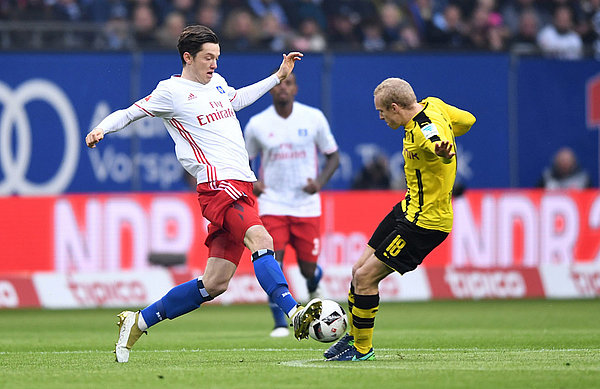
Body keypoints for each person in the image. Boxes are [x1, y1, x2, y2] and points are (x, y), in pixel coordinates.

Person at [85, 25, 323, 363]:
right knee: (261, 238)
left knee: (214, 283)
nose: (214, 63)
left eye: (217, 57)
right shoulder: (171, 91)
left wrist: (278, 76)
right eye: (208, 58)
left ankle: (138, 321)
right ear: (188, 57)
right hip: (217, 185)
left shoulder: (218, 83)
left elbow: (236, 98)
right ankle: (293, 312)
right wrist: (100, 130)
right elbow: (130, 112)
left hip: (240, 183)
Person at [324, 78, 476, 361]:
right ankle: (355, 336)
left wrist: (442, 151)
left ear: (395, 107)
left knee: (367, 277)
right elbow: (468, 120)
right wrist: (449, 130)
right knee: (358, 271)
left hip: (425, 223)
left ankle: (362, 349)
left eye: (381, 111)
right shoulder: (435, 105)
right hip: (406, 210)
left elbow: (433, 142)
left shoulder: (423, 129)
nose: (380, 117)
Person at [244, 72, 340, 337]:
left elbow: (333, 156)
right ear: (272, 90)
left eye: (288, 83)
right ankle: (279, 322)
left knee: (308, 267)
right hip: (273, 203)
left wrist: (319, 183)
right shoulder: (257, 124)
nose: (283, 88)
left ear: (295, 88)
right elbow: (244, 160)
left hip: (306, 205)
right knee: (274, 261)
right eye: (279, 84)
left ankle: (313, 285)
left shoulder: (313, 117)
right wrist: (253, 182)